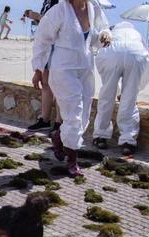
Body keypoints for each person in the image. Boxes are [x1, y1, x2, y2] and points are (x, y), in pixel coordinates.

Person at [32, 0, 110, 177]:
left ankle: (59, 136)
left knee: (83, 115)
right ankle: (72, 160)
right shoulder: (59, 11)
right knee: (74, 113)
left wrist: (105, 35)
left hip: (85, 67)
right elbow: (42, 39)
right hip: (63, 69)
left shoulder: (94, 8)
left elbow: (102, 28)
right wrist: (38, 68)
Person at [92, 21, 149, 156]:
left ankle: (100, 136)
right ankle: (128, 141)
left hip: (111, 52)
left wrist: (115, 90)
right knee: (129, 99)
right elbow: (147, 65)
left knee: (107, 96)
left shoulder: (112, 34)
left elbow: (101, 58)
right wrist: (134, 89)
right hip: (135, 53)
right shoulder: (137, 35)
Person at [22, 0, 58, 132]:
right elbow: (44, 23)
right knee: (45, 82)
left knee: (58, 84)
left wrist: (34, 15)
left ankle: (59, 123)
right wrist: (36, 18)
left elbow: (54, 21)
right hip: (47, 45)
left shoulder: (59, 2)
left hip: (57, 46)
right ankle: (45, 119)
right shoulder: (47, 1)